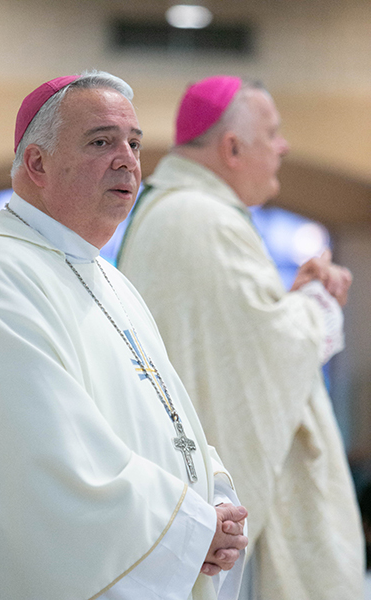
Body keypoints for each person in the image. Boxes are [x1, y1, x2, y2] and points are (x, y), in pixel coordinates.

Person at [0, 71, 249, 600]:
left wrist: (214, 500)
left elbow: (170, 417)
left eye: (135, 143)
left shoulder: (112, 281)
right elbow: (46, 460)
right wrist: (190, 528)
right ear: (37, 163)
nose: (128, 159)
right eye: (102, 141)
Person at [117, 76, 365, 599]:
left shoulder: (181, 210)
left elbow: (239, 338)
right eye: (272, 133)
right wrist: (316, 305)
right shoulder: (200, 219)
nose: (284, 146)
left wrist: (289, 301)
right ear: (232, 147)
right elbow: (264, 358)